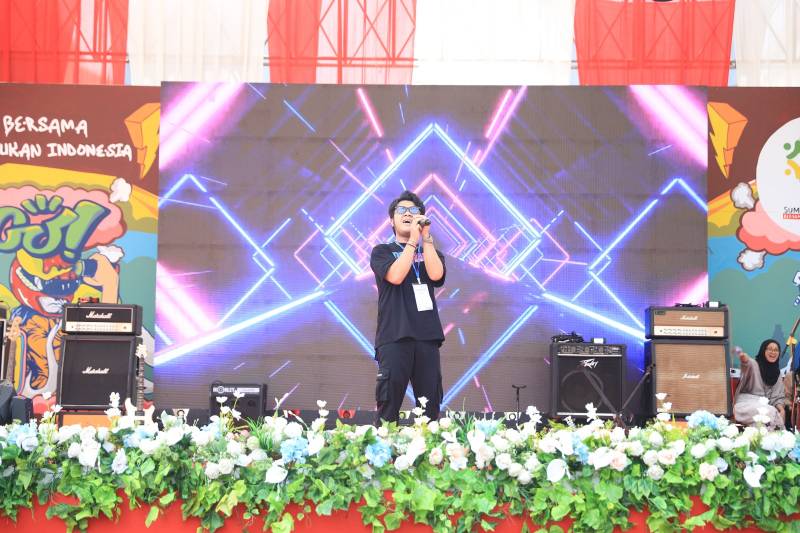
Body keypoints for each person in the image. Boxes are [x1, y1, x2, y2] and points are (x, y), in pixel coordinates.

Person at [370, 191, 446, 423]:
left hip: (427, 337)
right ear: (391, 221)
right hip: (395, 336)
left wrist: (426, 237)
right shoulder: (382, 251)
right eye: (401, 210)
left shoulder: (431, 251)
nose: (408, 214)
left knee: (429, 408)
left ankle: (427, 445)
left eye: (414, 211)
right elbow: (395, 276)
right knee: (389, 405)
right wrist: (412, 241)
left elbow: (436, 275)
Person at [733, 339, 785, 428]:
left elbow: (777, 397)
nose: (773, 352)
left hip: (765, 406)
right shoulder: (754, 365)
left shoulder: (777, 373)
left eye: (776, 350)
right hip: (745, 404)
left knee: (767, 414)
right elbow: (748, 365)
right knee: (768, 412)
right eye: (770, 349)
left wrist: (782, 410)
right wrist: (745, 360)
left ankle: (760, 436)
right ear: (763, 350)